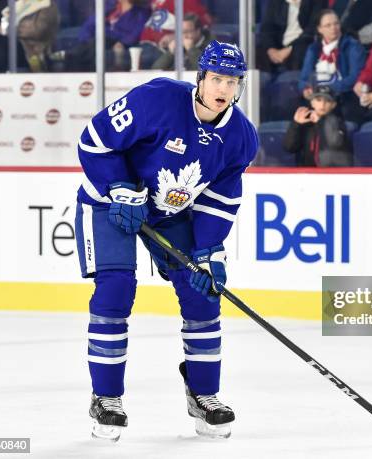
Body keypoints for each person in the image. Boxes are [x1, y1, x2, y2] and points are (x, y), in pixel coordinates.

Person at [74, 41, 258, 441]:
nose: (223, 89)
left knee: (203, 295)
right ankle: (106, 399)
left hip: (168, 213)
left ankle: (204, 394)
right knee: (116, 289)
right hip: (109, 201)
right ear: (201, 78)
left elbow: (220, 198)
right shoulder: (156, 99)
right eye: (217, 79)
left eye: (232, 81)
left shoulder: (241, 137)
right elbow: (93, 140)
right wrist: (120, 187)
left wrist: (210, 251)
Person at [298, 9, 365, 123]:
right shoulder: (313, 49)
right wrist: (305, 88)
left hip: (342, 95)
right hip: (318, 96)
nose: (333, 28)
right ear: (320, 29)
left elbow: (355, 76)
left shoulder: (352, 45)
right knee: (300, 111)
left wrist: (330, 89)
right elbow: (304, 77)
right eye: (328, 25)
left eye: (336, 23)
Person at [283, 84, 353, 166]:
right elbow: (289, 148)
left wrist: (320, 123)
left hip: (330, 174)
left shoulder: (338, 123)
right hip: (306, 174)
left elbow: (334, 145)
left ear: (333, 105)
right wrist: (296, 125)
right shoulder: (305, 122)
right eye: (318, 100)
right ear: (312, 103)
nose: (322, 104)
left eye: (327, 101)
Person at [257, 0, 323, 72]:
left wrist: (290, 49)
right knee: (257, 51)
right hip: (278, 46)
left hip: (301, 44)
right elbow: (267, 28)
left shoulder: (316, 2)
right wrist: (271, 49)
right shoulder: (276, 2)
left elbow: (311, 30)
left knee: (302, 50)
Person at [151, 13, 215, 70]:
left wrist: (191, 49)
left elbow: (207, 70)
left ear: (198, 31)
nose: (184, 36)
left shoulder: (212, 46)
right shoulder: (179, 45)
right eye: (181, 32)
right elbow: (156, 69)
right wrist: (170, 53)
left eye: (187, 32)